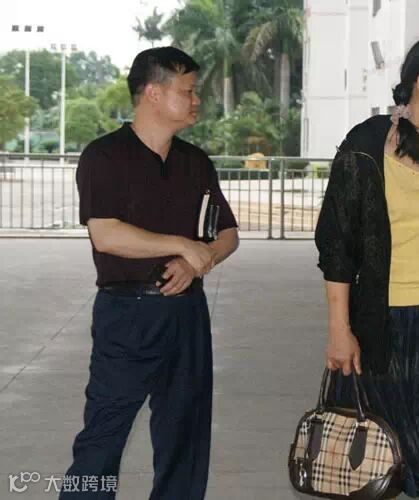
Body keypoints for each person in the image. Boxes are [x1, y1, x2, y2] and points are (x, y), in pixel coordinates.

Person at [61, 47, 239, 499]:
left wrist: (198, 259)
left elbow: (227, 234)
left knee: (185, 438)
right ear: (153, 93)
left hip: (187, 314)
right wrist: (180, 244)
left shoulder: (195, 162)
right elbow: (106, 234)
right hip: (127, 316)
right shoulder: (105, 156)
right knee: (103, 437)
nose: (197, 100)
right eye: (188, 91)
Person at [314, 34, 419, 499]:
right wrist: (339, 329)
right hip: (380, 330)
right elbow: (337, 246)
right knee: (375, 465)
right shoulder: (366, 145)